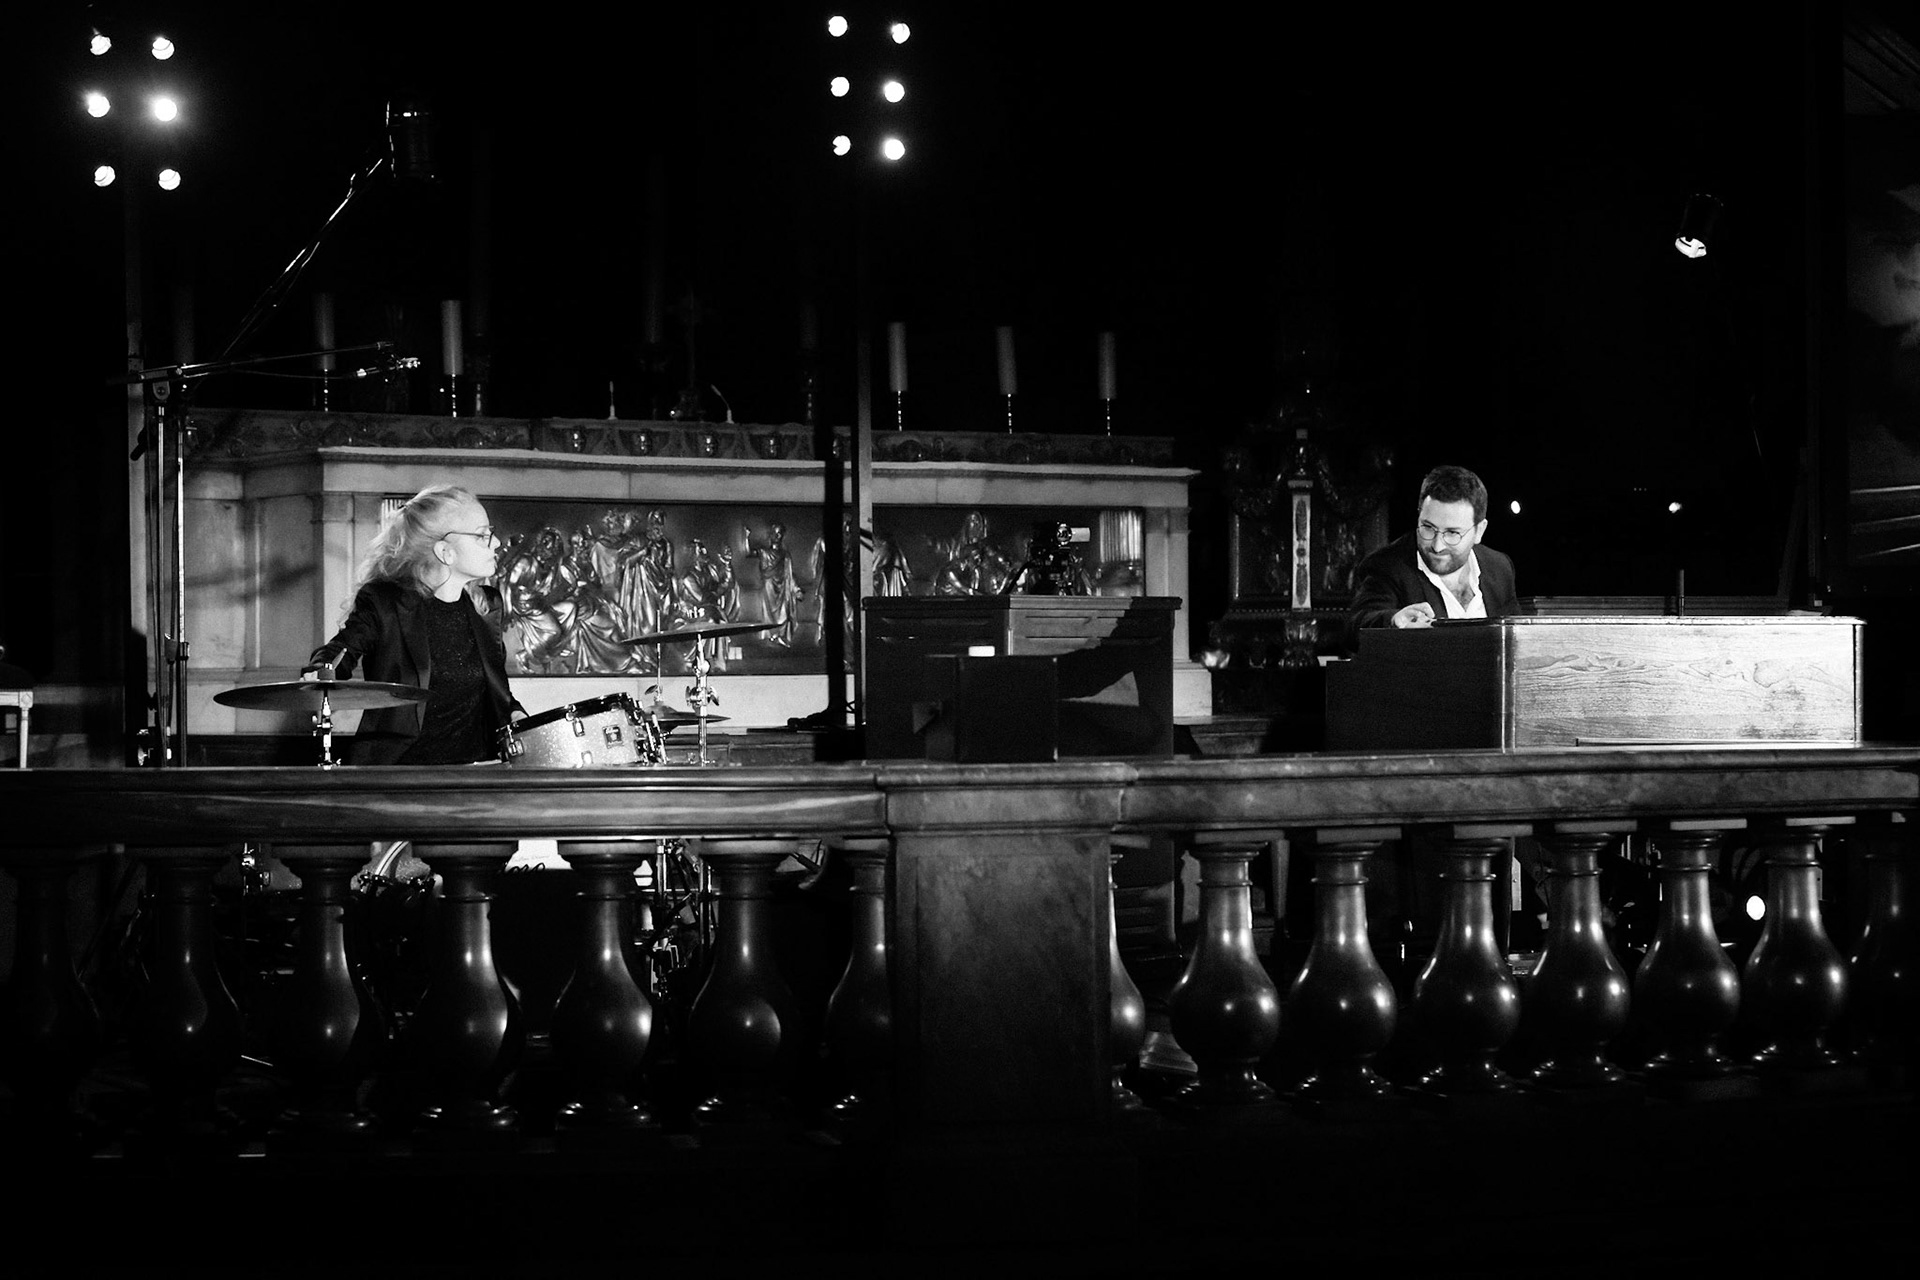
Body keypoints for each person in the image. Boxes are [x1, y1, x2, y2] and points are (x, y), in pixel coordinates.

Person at [305, 484, 525, 765]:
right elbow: (339, 653)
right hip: (399, 775)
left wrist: (516, 715)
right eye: (483, 536)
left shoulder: (488, 605)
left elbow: (494, 691)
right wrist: (320, 672)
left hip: (477, 774)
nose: (496, 543)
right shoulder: (385, 602)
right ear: (446, 552)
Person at [1347, 464, 1518, 638]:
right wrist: (1393, 621)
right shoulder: (1387, 566)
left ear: (1479, 531)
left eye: (1452, 533)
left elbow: (1517, 640)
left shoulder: (1499, 567)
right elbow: (1356, 626)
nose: (1437, 546)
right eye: (1428, 527)